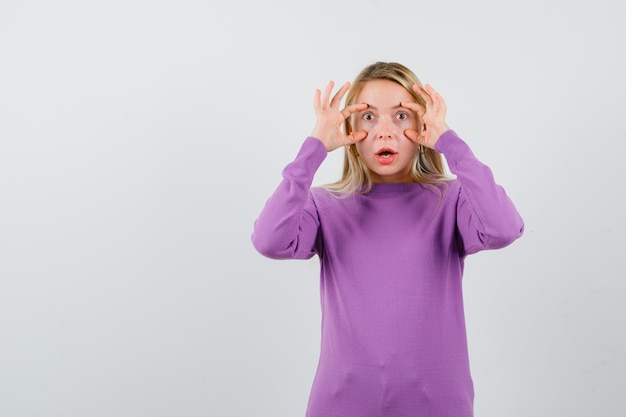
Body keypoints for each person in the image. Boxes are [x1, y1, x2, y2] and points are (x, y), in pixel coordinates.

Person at [251, 62, 524, 417]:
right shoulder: (324, 205)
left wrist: (450, 144)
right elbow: (269, 240)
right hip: (341, 403)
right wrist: (315, 147)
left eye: (400, 116)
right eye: (367, 117)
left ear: (422, 125)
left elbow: (504, 228)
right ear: (348, 131)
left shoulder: (451, 200)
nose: (384, 132)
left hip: (438, 404)